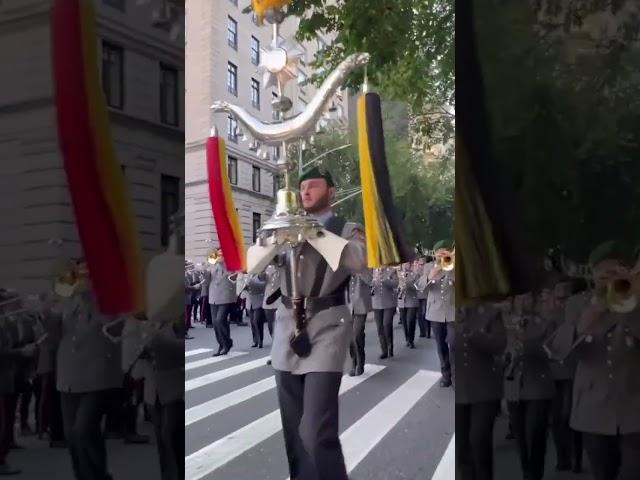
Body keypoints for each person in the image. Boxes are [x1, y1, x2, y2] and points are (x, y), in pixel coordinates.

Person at [270, 167, 366, 480]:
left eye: (313, 186)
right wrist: (277, 234)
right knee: (293, 434)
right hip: (286, 329)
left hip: (327, 328)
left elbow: (359, 261)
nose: (305, 192)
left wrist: (315, 231)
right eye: (302, 187)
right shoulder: (286, 226)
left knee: (315, 432)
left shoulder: (347, 227)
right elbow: (253, 264)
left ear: (332, 192)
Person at [552, 242, 640, 480]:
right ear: (593, 274)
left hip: (633, 404)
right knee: (603, 472)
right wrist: (597, 306)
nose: (610, 277)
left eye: (616, 270)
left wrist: (629, 300)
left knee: (633, 471)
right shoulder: (576, 304)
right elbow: (561, 350)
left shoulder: (636, 299)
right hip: (594, 406)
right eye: (605, 272)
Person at [56, 259, 123, 480]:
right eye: (80, 273)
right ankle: (88, 475)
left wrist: (90, 296)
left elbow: (110, 323)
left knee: (83, 430)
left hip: (98, 375)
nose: (82, 278)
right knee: (72, 435)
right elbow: (54, 333)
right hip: (68, 374)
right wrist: (43, 313)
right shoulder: (68, 300)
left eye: (87, 273)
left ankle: (96, 476)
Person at [503, 291, 554, 480]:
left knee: (535, 434)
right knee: (520, 437)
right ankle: (527, 473)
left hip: (538, 385)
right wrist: (505, 355)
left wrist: (526, 344)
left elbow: (551, 353)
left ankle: (535, 475)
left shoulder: (545, 322)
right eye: (520, 296)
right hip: (513, 384)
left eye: (528, 297)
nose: (524, 300)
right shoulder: (506, 323)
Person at [453, 303, 506, 480]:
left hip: (485, 388)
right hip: (460, 389)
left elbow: (499, 344)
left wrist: (472, 334)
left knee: (478, 440)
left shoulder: (490, 312)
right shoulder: (451, 311)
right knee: (462, 448)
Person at [421, 241, 455, 387]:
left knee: (454, 344)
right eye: (438, 252)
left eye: (444, 251)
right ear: (434, 254)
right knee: (441, 346)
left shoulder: (454, 265)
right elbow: (421, 288)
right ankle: (446, 375)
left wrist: (449, 265)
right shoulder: (428, 267)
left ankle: (456, 377)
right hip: (435, 312)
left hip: (453, 311)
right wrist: (430, 275)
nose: (441, 254)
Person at [208, 253, 237, 356]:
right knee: (215, 323)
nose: (218, 257)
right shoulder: (212, 267)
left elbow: (233, 279)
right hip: (213, 297)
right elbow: (206, 282)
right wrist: (204, 271)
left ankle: (226, 344)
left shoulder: (230, 267)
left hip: (225, 297)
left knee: (220, 320)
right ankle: (222, 344)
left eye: (221, 255)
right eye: (217, 255)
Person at [348, 269, 372, 376]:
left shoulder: (365, 265)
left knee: (356, 334)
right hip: (348, 306)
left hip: (361, 305)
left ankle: (360, 363)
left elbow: (369, 279)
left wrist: (358, 269)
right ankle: (354, 361)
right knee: (350, 337)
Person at [371, 266, 399, 359]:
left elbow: (395, 283)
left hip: (389, 302)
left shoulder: (391, 270)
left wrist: (384, 279)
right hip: (376, 302)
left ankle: (390, 346)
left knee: (386, 324)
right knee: (380, 327)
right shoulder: (372, 271)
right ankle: (384, 350)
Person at [398, 262, 420, 349]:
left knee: (410, 320)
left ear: (410, 265)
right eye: (403, 264)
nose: (404, 266)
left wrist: (407, 284)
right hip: (401, 300)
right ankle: (407, 338)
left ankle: (411, 340)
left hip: (412, 300)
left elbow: (417, 287)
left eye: (406, 264)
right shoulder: (399, 274)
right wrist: (399, 288)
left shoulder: (415, 274)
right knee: (404, 321)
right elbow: (395, 285)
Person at [245, 273, 267, 348]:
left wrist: (253, 284)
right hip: (249, 301)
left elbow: (265, 285)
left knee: (257, 320)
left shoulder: (261, 273)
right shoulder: (246, 275)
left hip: (258, 300)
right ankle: (255, 340)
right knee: (252, 322)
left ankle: (260, 340)